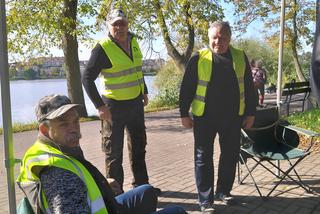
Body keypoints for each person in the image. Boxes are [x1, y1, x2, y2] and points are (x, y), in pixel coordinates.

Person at [17, 94, 186, 214]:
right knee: (177, 211)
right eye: (63, 124)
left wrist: (101, 186)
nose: (73, 128)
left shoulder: (55, 148)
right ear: (45, 129)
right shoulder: (58, 174)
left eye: (75, 121)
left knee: (146, 192)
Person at [179, 21, 256, 213]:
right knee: (203, 157)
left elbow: (249, 86)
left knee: (230, 155)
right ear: (209, 38)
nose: (217, 41)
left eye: (222, 38)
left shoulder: (239, 56)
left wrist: (251, 112)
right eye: (214, 37)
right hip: (204, 117)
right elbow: (186, 88)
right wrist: (183, 114)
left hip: (233, 117)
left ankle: (224, 191)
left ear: (229, 38)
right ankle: (205, 200)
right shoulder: (199, 57)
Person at [82, 8, 151, 192]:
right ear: (109, 26)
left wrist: (144, 91)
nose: (120, 27)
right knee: (113, 153)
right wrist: (100, 106)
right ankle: (116, 193)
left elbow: (137, 68)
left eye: (123, 23)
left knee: (139, 146)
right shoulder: (102, 48)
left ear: (128, 24)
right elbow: (86, 79)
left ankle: (142, 187)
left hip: (135, 104)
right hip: (113, 107)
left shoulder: (134, 40)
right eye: (115, 24)